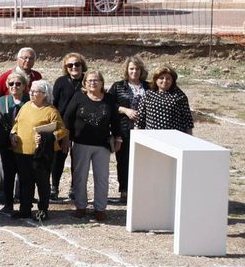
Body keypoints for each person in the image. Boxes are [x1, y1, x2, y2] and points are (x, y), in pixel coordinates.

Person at [65, 70, 118, 221]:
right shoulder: (79, 97)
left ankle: (100, 208)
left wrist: (118, 138)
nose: (93, 83)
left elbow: (115, 120)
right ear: (85, 83)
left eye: (96, 80)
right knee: (80, 176)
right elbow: (68, 118)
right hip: (81, 143)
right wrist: (66, 138)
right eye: (89, 81)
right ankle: (80, 206)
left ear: (102, 83)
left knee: (102, 177)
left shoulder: (109, 99)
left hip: (102, 144)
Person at [11, 79, 67, 221]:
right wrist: (13, 134)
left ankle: (43, 209)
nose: (32, 93)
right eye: (31, 91)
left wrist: (49, 137)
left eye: (36, 92)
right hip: (22, 151)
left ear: (45, 94)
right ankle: (25, 209)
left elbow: (62, 130)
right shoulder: (26, 106)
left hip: (42, 153)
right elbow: (17, 123)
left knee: (42, 182)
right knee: (25, 181)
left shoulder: (51, 111)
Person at [108, 56, 150, 199]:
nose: (135, 71)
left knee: (142, 160)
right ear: (127, 70)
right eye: (132, 68)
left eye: (137, 69)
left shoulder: (149, 87)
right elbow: (109, 104)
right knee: (124, 160)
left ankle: (140, 190)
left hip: (146, 129)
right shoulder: (118, 86)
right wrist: (125, 110)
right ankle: (124, 190)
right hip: (124, 129)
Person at [50, 53, 88, 202]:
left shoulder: (87, 80)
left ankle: (74, 187)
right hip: (62, 124)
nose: (74, 67)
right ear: (66, 67)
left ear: (82, 65)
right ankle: (54, 187)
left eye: (77, 64)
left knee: (77, 158)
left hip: (81, 126)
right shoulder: (60, 82)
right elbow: (54, 105)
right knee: (58, 157)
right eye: (70, 65)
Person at [0, 72, 29, 216]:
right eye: (11, 84)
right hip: (5, 144)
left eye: (18, 84)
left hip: (24, 144)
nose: (15, 86)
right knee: (8, 175)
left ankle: (24, 204)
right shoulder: (1, 101)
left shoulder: (29, 102)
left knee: (25, 175)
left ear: (24, 86)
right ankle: (8, 203)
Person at [135, 66, 193, 134]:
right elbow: (139, 120)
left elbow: (187, 122)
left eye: (168, 78)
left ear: (172, 80)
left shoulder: (180, 96)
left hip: (174, 138)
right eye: (161, 78)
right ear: (156, 80)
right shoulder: (148, 95)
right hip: (152, 138)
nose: (165, 81)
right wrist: (136, 138)